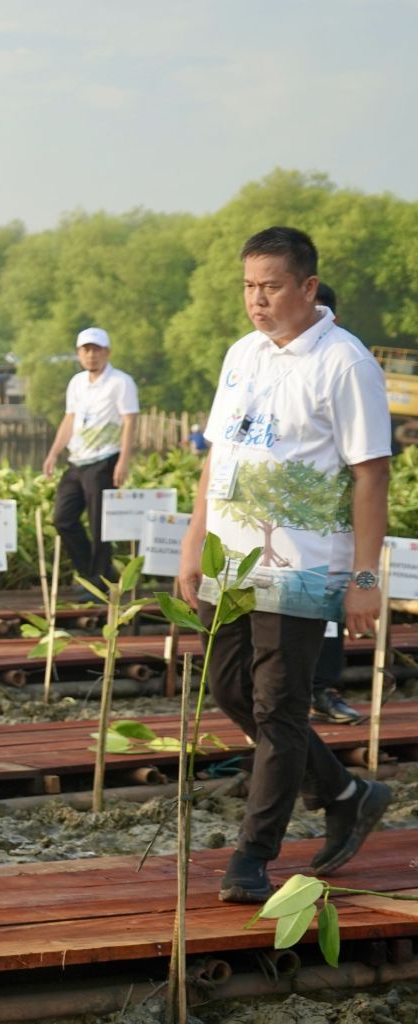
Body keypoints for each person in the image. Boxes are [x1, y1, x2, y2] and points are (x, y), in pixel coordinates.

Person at [179, 227, 391, 903]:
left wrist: (364, 579)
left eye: (270, 287)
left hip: (301, 569)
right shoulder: (242, 354)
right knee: (231, 690)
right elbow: (217, 458)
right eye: (248, 287)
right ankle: (345, 791)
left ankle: (253, 855)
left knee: (279, 708)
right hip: (229, 559)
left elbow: (371, 477)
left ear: (306, 288)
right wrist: (192, 543)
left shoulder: (345, 362)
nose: (257, 301)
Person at [307, 282, 364, 725]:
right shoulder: (262, 363)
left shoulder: (349, 364)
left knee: (329, 613)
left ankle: (323, 689)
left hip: (333, 522)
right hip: (282, 525)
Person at [42, 328, 139, 586]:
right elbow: (70, 419)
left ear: (107, 352)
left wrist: (123, 461)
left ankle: (98, 579)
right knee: (63, 519)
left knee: (100, 525)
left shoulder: (121, 382)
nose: (91, 355)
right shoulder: (76, 383)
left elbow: (130, 421)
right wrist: (53, 453)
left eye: (97, 349)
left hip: (104, 459)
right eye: (86, 350)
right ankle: (93, 573)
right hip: (77, 460)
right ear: (78, 354)